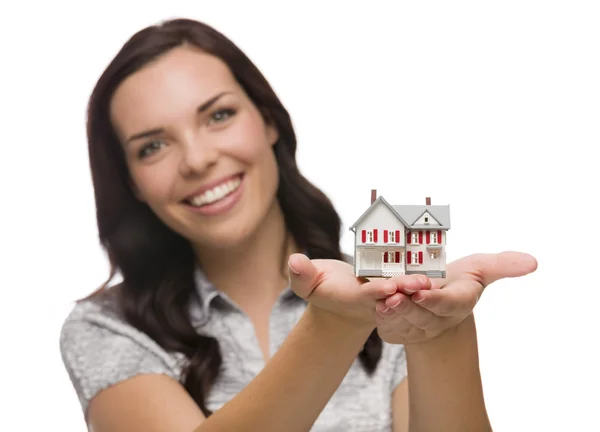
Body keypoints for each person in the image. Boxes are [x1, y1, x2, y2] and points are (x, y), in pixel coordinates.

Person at [59, 17, 537, 432]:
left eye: (219, 115)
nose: (198, 159)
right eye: (152, 146)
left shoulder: (394, 294)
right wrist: (334, 323)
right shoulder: (106, 328)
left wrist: (441, 333)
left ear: (268, 121)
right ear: (132, 182)